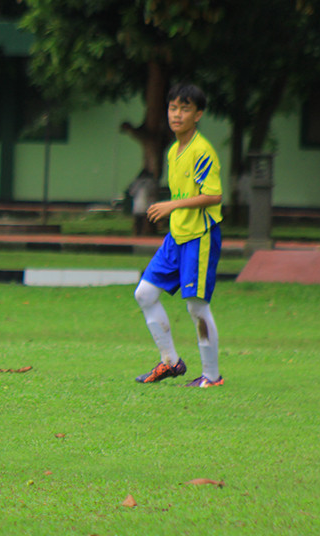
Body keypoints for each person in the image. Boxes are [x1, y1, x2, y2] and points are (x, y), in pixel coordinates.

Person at [135, 83, 224, 388]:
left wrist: (172, 205)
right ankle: (170, 362)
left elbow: (214, 195)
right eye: (173, 108)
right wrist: (174, 211)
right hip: (177, 237)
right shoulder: (174, 150)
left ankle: (212, 376)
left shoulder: (202, 151)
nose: (177, 114)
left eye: (185, 109)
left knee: (197, 307)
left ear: (198, 115)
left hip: (200, 236)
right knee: (144, 294)